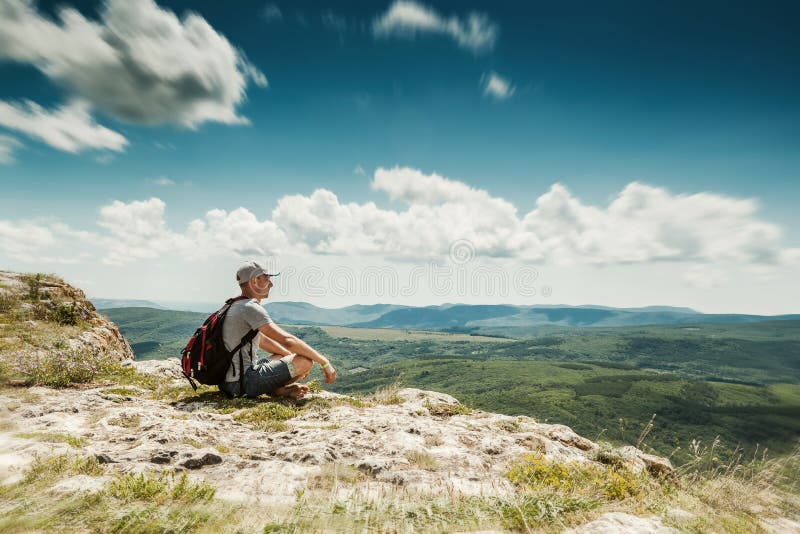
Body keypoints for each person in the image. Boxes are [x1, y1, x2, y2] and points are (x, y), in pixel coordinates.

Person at [219, 260, 336, 399]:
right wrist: (323, 362)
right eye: (267, 279)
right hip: (242, 383)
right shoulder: (250, 308)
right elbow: (288, 341)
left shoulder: (233, 305)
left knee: (282, 356)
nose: (271, 284)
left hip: (227, 381)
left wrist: (288, 356)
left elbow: (261, 340)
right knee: (304, 361)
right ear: (254, 281)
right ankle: (275, 391)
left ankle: (277, 390)